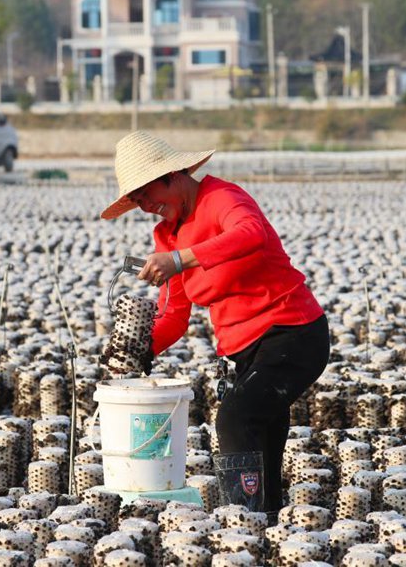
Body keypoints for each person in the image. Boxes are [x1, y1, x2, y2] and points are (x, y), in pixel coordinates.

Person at [101, 131, 330, 517]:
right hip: (247, 353)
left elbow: (250, 233)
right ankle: (266, 527)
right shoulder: (166, 236)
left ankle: (242, 527)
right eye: (137, 202)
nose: (145, 208)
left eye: (146, 195)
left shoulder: (222, 198)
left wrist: (182, 259)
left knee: (236, 419)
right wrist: (137, 351)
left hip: (292, 333)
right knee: (261, 441)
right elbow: (174, 313)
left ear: (171, 175)